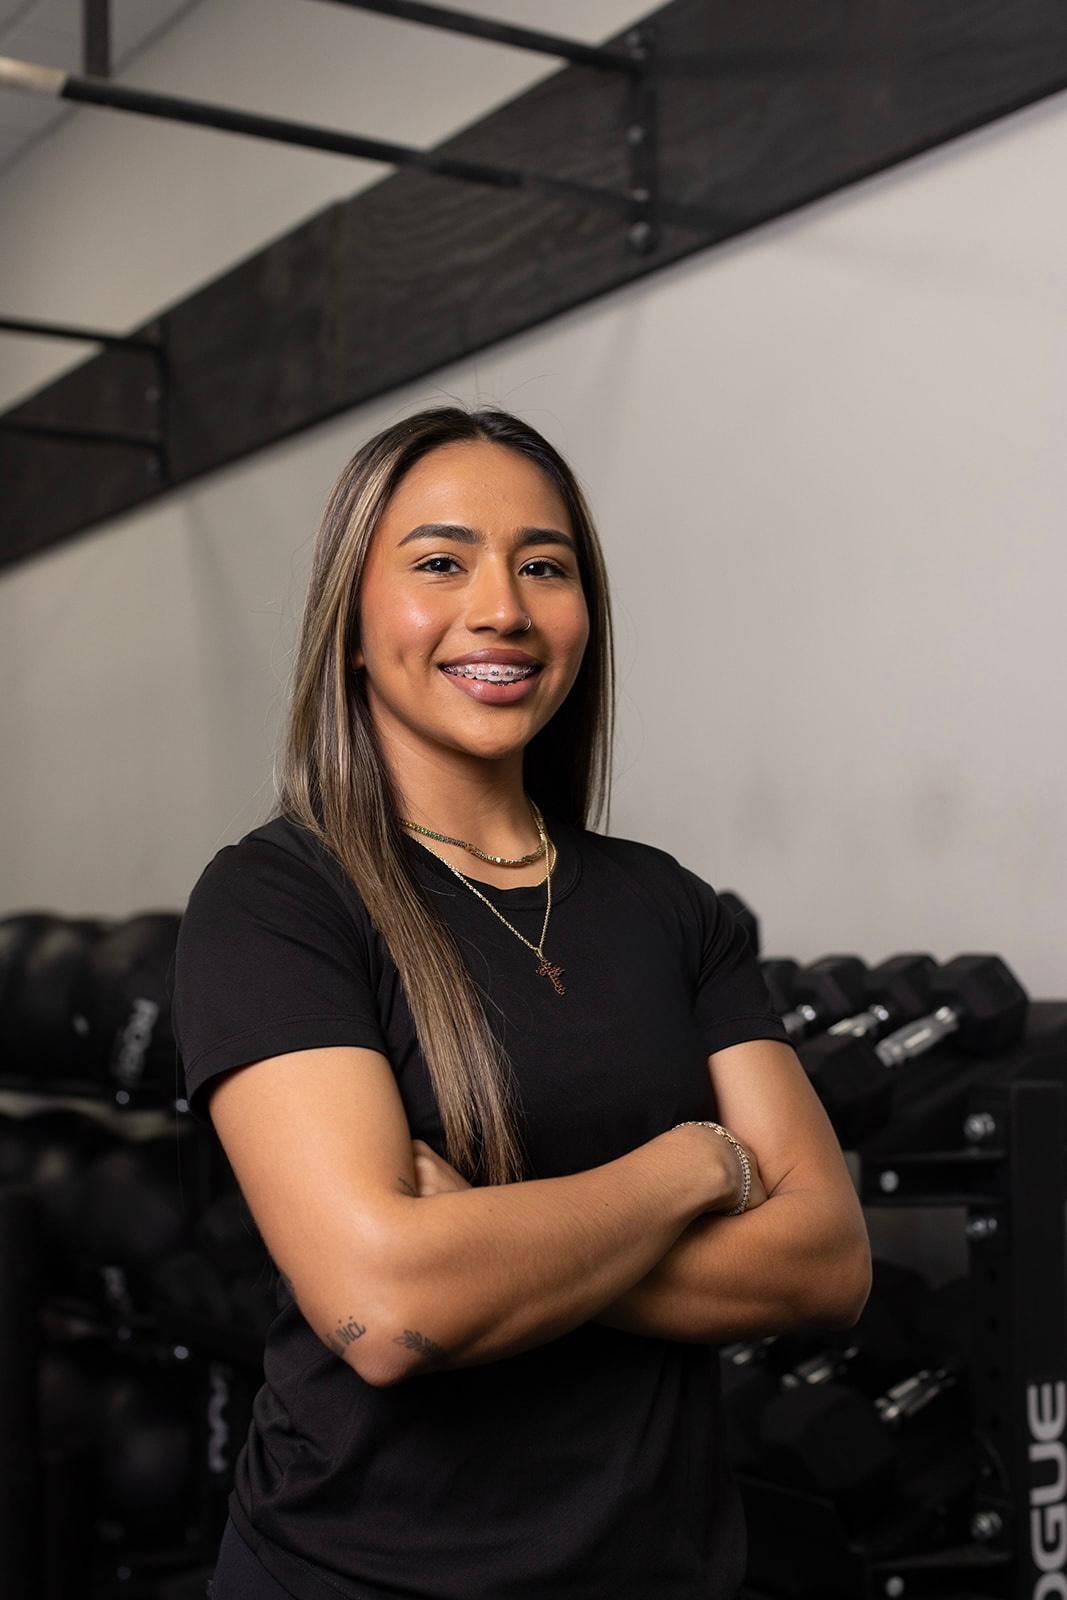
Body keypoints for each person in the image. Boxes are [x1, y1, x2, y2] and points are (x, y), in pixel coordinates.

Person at [169, 405, 871, 1600]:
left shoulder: (671, 906)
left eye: (542, 566)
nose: (501, 607)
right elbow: (387, 1311)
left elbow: (826, 1263)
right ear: (350, 622)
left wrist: (486, 1249)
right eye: (440, 563)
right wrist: (695, 1166)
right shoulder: (276, 899)